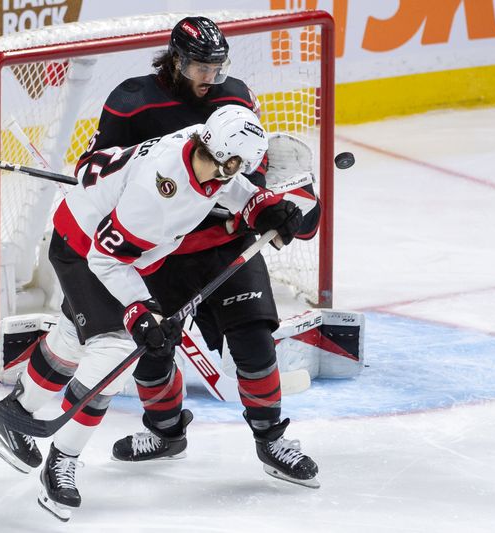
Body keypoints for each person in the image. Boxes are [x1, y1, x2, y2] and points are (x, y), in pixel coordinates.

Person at [0, 105, 302, 521]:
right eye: (228, 165)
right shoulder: (157, 194)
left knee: (75, 337)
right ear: (219, 151)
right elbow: (106, 259)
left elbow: (227, 184)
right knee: (113, 352)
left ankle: (13, 415)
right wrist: (140, 312)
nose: (227, 173)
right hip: (85, 251)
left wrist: (260, 206)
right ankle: (63, 458)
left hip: (108, 243)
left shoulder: (203, 149)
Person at [82, 16, 321, 487]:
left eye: (216, 67)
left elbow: (250, 166)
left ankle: (272, 439)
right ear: (175, 58)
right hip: (159, 247)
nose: (209, 77)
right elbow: (92, 167)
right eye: (198, 67)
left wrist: (267, 209)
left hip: (224, 239)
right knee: (153, 347)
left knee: (254, 339)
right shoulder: (132, 101)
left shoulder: (235, 96)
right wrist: (150, 155)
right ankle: (166, 433)